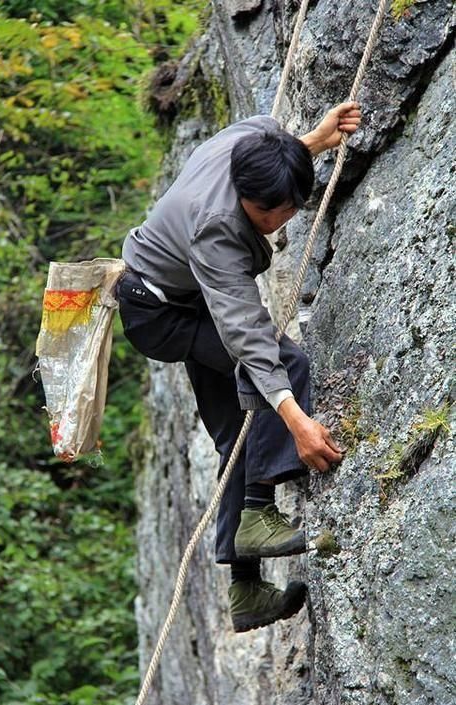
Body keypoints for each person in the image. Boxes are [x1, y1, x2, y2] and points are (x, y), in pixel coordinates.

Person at [117, 102, 361, 633]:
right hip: (159, 313)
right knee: (283, 362)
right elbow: (248, 337)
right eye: (268, 214)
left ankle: (246, 590)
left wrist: (313, 142)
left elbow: (280, 148)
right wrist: (297, 421)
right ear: (254, 204)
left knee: (235, 434)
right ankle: (256, 511)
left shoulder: (256, 138)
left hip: (185, 294)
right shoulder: (219, 230)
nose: (277, 222)